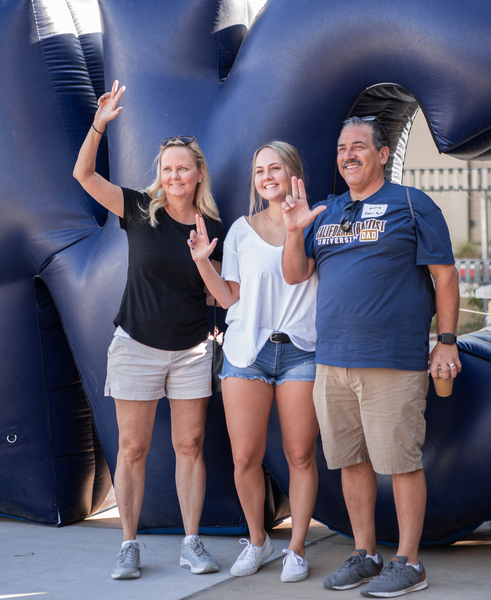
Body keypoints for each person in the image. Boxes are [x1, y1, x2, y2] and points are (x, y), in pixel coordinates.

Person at [281, 117, 461, 597]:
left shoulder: (412, 204)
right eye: (342, 148)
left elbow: (445, 275)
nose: (348, 155)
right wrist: (294, 231)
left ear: (383, 154)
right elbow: (295, 274)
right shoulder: (327, 211)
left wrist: (446, 340)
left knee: (400, 463)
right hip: (333, 361)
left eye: (358, 146)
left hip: (392, 361)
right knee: (351, 461)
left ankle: (410, 562)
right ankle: (366, 554)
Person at [73, 80, 224, 580]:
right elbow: (84, 175)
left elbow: (216, 295)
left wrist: (205, 264)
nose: (174, 175)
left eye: (183, 168)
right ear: (159, 174)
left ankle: (191, 543)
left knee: (190, 447)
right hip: (136, 345)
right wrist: (99, 125)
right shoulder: (139, 209)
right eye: (167, 168)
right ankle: (128, 544)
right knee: (133, 449)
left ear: (198, 174)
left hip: (192, 351)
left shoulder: (210, 228)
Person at [187, 141, 320, 583]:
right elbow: (229, 298)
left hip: (300, 348)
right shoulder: (241, 231)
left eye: (274, 168)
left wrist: (296, 228)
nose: (266, 177)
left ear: (292, 172)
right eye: (259, 171)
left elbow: (299, 274)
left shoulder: (315, 222)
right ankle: (259, 541)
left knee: (300, 455)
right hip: (247, 352)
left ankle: (296, 549)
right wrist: (203, 263)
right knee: (244, 458)